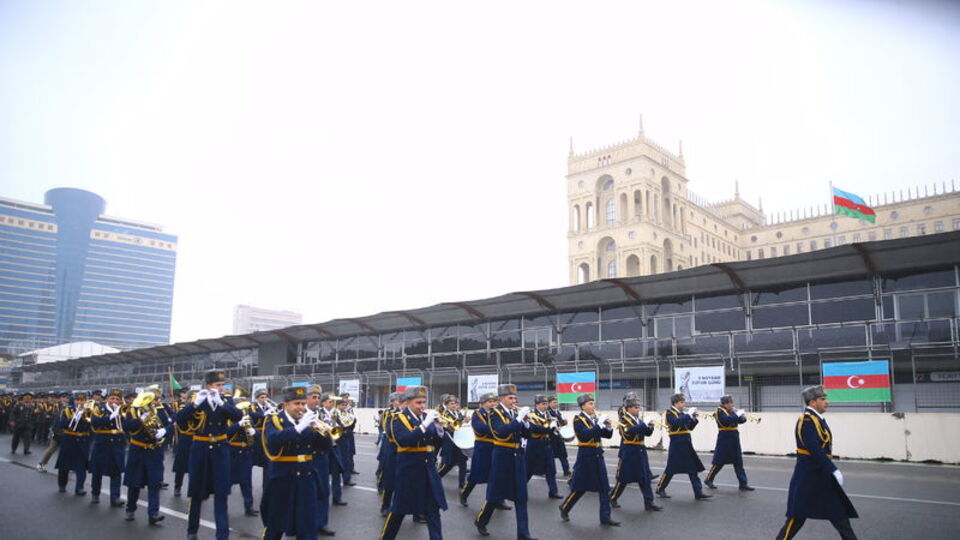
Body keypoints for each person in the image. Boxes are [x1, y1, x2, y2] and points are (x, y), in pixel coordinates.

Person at [775, 385, 859, 540]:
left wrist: (829, 470)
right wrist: (832, 469)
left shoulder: (817, 419)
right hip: (809, 476)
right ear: (813, 402)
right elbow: (814, 448)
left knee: (839, 515)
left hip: (821, 476)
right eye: (823, 399)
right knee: (796, 518)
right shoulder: (807, 420)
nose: (827, 402)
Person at [260, 386, 334, 540]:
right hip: (283, 479)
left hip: (306, 479)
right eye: (296, 403)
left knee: (307, 526)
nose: (301, 407)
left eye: (302, 403)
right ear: (286, 404)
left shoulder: (308, 420)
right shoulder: (274, 420)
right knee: (276, 525)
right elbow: (273, 441)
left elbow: (326, 447)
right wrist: (299, 428)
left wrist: (322, 431)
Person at [176, 370, 242, 540]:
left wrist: (221, 403)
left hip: (220, 449)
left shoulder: (226, 400)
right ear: (208, 386)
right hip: (200, 448)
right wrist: (195, 403)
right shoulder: (196, 400)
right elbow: (180, 419)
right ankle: (192, 530)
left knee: (221, 493)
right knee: (196, 493)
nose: (221, 388)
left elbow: (238, 416)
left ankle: (222, 534)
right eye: (217, 385)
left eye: (222, 385)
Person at [379, 385, 447, 540]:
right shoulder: (396, 418)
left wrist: (440, 429)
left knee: (433, 509)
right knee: (398, 511)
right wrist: (425, 425)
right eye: (418, 403)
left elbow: (435, 443)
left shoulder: (425, 418)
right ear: (408, 401)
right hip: (409, 470)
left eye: (424, 402)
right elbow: (404, 441)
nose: (422, 406)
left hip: (428, 470)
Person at [474, 384, 536, 540]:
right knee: (496, 492)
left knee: (521, 495)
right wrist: (519, 419)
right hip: (502, 455)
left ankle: (523, 533)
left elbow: (526, 434)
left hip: (518, 455)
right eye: (510, 397)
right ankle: (481, 520)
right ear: (501, 398)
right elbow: (501, 432)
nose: (514, 400)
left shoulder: (515, 412)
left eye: (515, 398)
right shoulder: (494, 413)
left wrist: (527, 423)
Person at [558, 393, 619, 527]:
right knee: (580, 487)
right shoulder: (578, 419)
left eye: (593, 403)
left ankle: (605, 517)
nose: (593, 406)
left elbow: (607, 435)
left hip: (598, 454)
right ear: (583, 406)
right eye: (590, 403)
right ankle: (565, 507)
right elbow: (585, 436)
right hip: (586, 455)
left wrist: (608, 426)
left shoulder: (593, 418)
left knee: (604, 487)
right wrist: (599, 424)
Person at [122, 390, 170, 525]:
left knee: (154, 484)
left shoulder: (160, 411)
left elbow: (169, 424)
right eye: (152, 401)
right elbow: (127, 427)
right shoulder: (133, 411)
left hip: (154, 452)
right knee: (134, 483)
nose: (155, 403)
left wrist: (164, 431)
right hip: (138, 451)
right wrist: (141, 419)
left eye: (155, 400)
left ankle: (153, 514)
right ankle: (130, 509)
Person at [655, 393, 711, 500]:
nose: (683, 404)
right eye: (681, 402)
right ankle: (660, 488)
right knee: (671, 469)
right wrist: (688, 415)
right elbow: (676, 423)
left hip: (686, 443)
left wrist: (693, 418)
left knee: (692, 469)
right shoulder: (669, 413)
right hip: (677, 444)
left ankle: (698, 492)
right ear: (675, 403)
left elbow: (689, 427)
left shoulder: (682, 413)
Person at [609, 397, 661, 511]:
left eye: (638, 407)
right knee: (624, 478)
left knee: (645, 478)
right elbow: (628, 433)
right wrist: (643, 425)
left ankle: (649, 502)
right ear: (628, 409)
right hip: (629, 450)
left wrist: (650, 426)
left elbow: (647, 434)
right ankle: (612, 497)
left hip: (640, 450)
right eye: (636, 407)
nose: (638, 409)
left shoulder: (638, 420)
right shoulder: (623, 420)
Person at [704, 395, 754, 491]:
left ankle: (743, 483)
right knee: (719, 461)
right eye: (730, 403)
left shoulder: (731, 411)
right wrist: (736, 415)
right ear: (725, 404)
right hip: (724, 438)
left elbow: (740, 421)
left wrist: (742, 416)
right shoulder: (719, 411)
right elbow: (726, 421)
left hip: (734, 437)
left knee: (738, 461)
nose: (732, 404)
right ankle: (708, 479)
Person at [88, 388, 127, 506]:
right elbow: (94, 422)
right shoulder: (99, 408)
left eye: (117, 399)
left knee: (116, 470)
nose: (114, 401)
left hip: (117, 442)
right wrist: (110, 417)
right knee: (97, 470)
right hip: (103, 442)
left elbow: (128, 424)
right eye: (112, 398)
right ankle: (95, 494)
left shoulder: (123, 410)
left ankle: (115, 498)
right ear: (108, 399)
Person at [306, 385, 336, 536]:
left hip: (322, 457)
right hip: (307, 458)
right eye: (313, 397)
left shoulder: (323, 416)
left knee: (324, 491)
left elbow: (330, 435)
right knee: (307, 494)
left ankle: (322, 523)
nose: (316, 400)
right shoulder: (301, 414)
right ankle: (304, 524)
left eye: (318, 397)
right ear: (306, 399)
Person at [458, 392, 498, 507]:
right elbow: (481, 428)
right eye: (489, 402)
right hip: (482, 447)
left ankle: (497, 500)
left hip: (495, 446)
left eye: (494, 401)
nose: (492, 404)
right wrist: (498, 428)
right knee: (476, 474)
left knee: (495, 474)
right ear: (483, 404)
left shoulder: (496, 413)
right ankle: (464, 494)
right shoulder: (478, 414)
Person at [226, 392, 260, 517]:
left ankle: (249, 506)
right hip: (232, 452)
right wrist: (238, 424)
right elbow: (226, 433)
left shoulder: (248, 418)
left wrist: (253, 432)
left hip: (246, 452)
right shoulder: (229, 420)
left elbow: (257, 435)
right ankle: (222, 504)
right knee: (228, 481)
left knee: (246, 482)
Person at [525, 394, 562, 500]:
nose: (545, 406)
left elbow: (554, 428)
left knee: (551, 469)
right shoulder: (531, 415)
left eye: (546, 404)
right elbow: (535, 429)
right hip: (534, 445)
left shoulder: (549, 415)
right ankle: (520, 489)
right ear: (537, 405)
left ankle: (553, 491)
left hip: (546, 444)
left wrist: (556, 427)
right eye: (543, 404)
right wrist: (550, 428)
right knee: (528, 470)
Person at [55, 390, 92, 495]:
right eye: (78, 400)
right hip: (69, 439)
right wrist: (74, 418)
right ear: (74, 400)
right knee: (64, 464)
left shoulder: (89, 410)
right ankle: (62, 485)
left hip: (83, 439)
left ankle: (79, 487)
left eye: (83, 400)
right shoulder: (67, 410)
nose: (80, 402)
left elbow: (91, 425)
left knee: (81, 466)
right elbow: (62, 423)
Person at [377, 392, 404, 517]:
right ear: (393, 402)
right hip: (391, 445)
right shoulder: (389, 413)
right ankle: (385, 505)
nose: (401, 403)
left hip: (405, 449)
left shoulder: (408, 413)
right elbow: (386, 428)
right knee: (389, 475)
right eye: (399, 401)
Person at [437, 394, 468, 489]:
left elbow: (460, 424)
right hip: (450, 441)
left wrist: (464, 420)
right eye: (451, 403)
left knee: (463, 463)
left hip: (459, 441)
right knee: (448, 464)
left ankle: (462, 484)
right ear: (446, 405)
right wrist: (463, 421)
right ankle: (435, 479)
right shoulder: (443, 414)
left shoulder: (458, 413)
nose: (454, 405)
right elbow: (450, 427)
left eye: (455, 403)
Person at [171, 390, 195, 497]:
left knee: (196, 467)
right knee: (181, 466)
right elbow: (178, 419)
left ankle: (194, 488)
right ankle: (177, 486)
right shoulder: (184, 409)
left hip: (197, 439)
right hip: (185, 438)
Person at [546, 396, 571, 477]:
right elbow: (550, 424)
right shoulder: (547, 412)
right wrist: (560, 423)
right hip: (552, 438)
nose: (556, 404)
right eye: (554, 402)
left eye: (557, 402)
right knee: (550, 457)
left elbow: (559, 423)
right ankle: (549, 471)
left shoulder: (558, 412)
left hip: (559, 437)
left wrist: (564, 422)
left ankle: (566, 471)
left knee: (563, 455)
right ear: (549, 403)